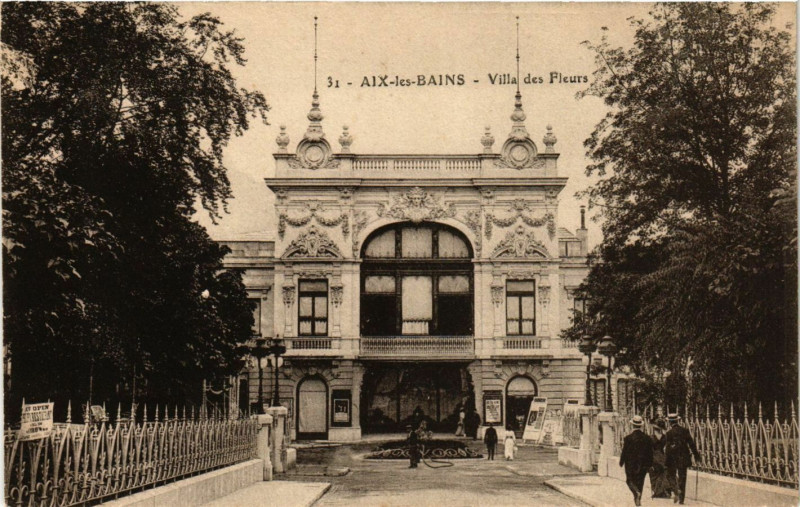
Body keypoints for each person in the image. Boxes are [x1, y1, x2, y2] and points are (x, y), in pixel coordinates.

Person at [664, 413, 700, 504]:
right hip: (683, 458)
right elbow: (691, 444)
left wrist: (666, 461)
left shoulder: (669, 433)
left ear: (669, 422)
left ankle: (676, 490)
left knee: (670, 475)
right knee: (682, 477)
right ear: (677, 421)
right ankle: (681, 499)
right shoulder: (685, 431)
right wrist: (697, 456)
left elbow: (668, 448)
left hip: (673, 459)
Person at [619, 415, 653, 507]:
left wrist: (621, 462)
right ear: (641, 426)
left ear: (632, 425)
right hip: (643, 464)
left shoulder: (628, 438)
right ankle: (638, 500)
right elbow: (650, 453)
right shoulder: (647, 438)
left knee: (629, 480)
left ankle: (636, 494)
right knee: (640, 482)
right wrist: (650, 465)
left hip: (630, 464)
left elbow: (624, 451)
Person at [649, 418, 671, 499]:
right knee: (663, 472)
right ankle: (663, 490)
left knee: (654, 474)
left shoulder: (651, 437)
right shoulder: (665, 437)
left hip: (654, 457)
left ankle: (657, 491)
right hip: (662, 456)